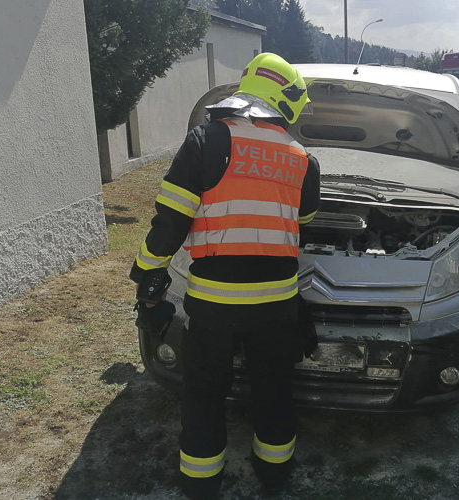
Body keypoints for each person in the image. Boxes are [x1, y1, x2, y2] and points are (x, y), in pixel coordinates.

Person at [129, 53, 320, 499]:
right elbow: (303, 223)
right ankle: (274, 473)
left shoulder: (205, 140)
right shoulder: (302, 159)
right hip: (276, 304)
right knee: (273, 389)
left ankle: (200, 481)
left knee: (204, 391)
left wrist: (147, 272)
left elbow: (171, 220)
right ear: (286, 100)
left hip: (214, 302)